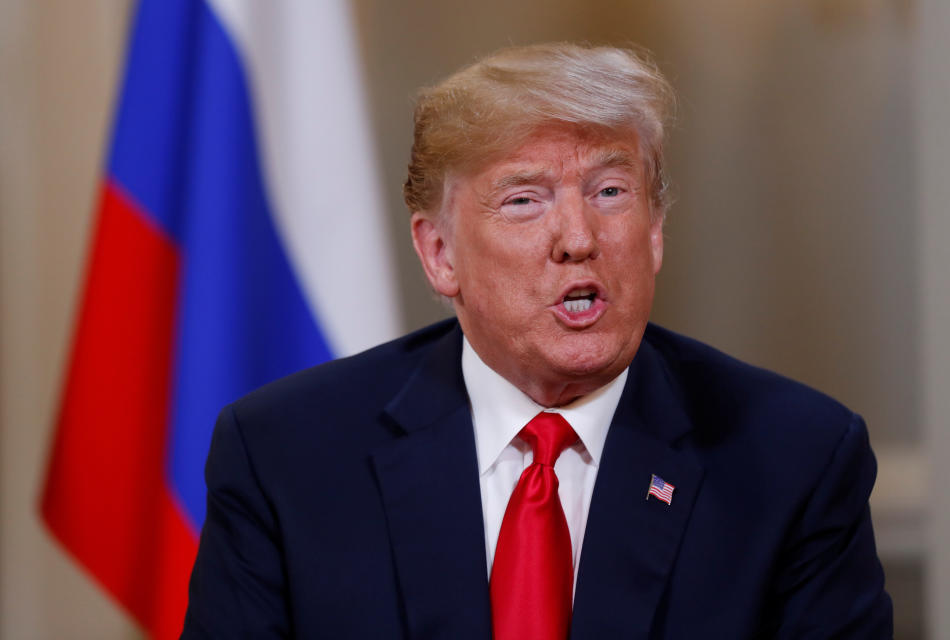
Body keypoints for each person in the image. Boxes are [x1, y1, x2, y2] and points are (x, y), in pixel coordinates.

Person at [181, 43, 892, 639]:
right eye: (525, 200)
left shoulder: (793, 460)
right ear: (439, 254)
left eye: (611, 191)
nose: (579, 239)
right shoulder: (287, 455)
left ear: (653, 233)